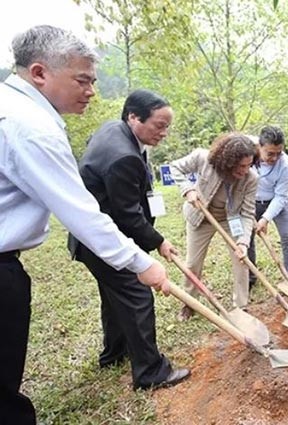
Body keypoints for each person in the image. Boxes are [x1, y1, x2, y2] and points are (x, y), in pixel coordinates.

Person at [0, 26, 170, 424]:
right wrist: (143, 260)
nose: (91, 91)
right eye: (82, 80)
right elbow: (81, 210)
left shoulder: (15, 109)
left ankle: (116, 352)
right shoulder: (31, 127)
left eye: (93, 81)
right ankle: (146, 368)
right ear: (40, 72)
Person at [67, 89, 190, 390]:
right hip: (105, 241)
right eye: (159, 125)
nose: (164, 132)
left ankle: (114, 354)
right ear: (134, 117)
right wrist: (158, 241)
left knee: (114, 297)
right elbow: (128, 215)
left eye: (167, 126)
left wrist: (157, 240)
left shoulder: (114, 130)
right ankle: (150, 372)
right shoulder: (123, 157)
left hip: (90, 240)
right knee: (137, 296)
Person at [171, 133, 259, 320]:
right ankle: (189, 303)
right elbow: (175, 167)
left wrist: (243, 242)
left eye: (249, 165)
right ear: (227, 161)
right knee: (193, 263)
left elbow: (248, 213)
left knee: (241, 261)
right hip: (200, 216)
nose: (245, 170)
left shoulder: (251, 179)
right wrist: (188, 189)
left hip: (231, 219)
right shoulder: (202, 158)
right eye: (241, 165)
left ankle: (241, 307)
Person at [247, 126, 288, 288]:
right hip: (252, 202)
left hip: (278, 201)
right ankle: (250, 276)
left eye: (279, 153)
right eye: (270, 153)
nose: (274, 158)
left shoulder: (286, 166)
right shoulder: (247, 151)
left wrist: (265, 219)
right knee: (246, 238)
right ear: (260, 147)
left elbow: (281, 197)